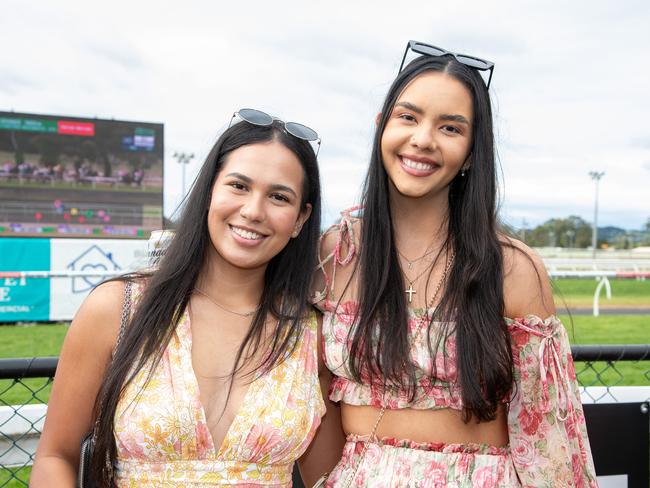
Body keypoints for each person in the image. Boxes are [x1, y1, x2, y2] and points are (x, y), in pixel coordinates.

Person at [313, 41, 597, 487]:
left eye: (450, 128)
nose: (422, 139)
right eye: (407, 117)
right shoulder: (334, 256)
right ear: (380, 127)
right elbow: (315, 401)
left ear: (470, 151)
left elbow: (549, 438)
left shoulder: (511, 269)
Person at [32, 109, 345, 487]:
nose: (252, 211)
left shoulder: (313, 337)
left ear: (300, 218)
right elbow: (55, 457)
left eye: (279, 196)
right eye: (239, 186)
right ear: (210, 189)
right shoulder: (118, 308)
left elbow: (328, 480)